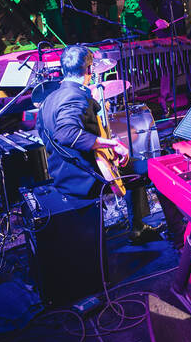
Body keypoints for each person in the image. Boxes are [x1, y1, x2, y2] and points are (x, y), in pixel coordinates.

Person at [37, 46, 159, 243]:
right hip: (85, 177)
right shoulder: (75, 97)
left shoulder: (50, 98)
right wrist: (111, 144)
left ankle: (138, 227)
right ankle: (181, 239)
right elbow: (66, 133)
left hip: (63, 173)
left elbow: (45, 132)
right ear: (89, 69)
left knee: (132, 166)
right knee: (158, 169)